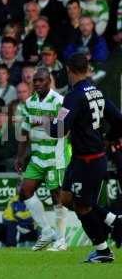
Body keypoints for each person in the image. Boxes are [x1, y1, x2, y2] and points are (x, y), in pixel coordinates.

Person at [46, 53, 122, 263]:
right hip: (83, 158)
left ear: (69, 70)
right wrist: (109, 138)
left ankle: (103, 251)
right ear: (87, 69)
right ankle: (113, 220)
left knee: (83, 206)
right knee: (67, 198)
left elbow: (58, 130)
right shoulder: (96, 91)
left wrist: (44, 120)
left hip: (89, 160)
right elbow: (119, 119)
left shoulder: (74, 96)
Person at [15, 67, 70, 252]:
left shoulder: (60, 101)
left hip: (56, 155)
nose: (37, 83)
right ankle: (47, 232)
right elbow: (24, 130)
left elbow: (64, 128)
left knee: (57, 196)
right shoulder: (29, 103)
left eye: (41, 80)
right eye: (35, 81)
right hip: (37, 156)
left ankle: (61, 239)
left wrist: (45, 121)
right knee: (25, 191)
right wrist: (21, 156)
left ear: (49, 81)